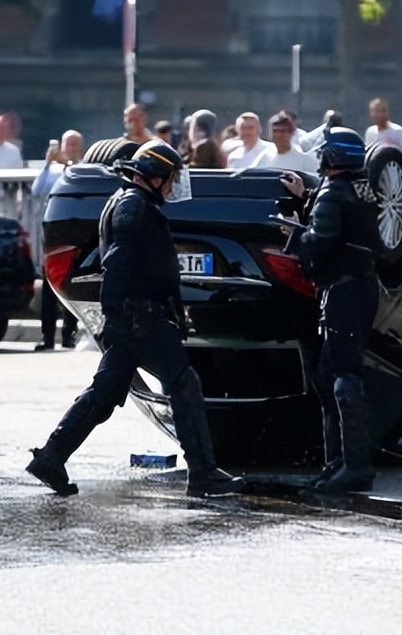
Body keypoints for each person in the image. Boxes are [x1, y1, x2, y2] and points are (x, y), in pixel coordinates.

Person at [27, 142, 246, 498]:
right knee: (184, 383)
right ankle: (203, 472)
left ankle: (51, 457)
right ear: (155, 176)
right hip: (140, 318)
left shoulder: (133, 202)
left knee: (105, 392)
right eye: (171, 178)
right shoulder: (133, 208)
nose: (174, 185)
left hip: (134, 318)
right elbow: (117, 265)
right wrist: (122, 317)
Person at [278, 128, 380, 493]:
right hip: (356, 288)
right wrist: (306, 197)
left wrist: (293, 236)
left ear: (333, 158)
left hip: (343, 291)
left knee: (342, 376)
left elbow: (318, 246)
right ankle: (337, 462)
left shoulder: (333, 195)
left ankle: (354, 467)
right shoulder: (359, 189)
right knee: (329, 375)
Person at [32, 130, 86, 351]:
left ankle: (68, 335)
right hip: (54, 232)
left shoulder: (83, 169)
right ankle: (47, 336)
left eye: (75, 145)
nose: (71, 149)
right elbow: (37, 190)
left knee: (71, 284)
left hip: (74, 231)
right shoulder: (53, 171)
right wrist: (47, 164)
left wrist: (72, 165)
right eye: (68, 145)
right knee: (48, 287)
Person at [364, 98, 402, 165]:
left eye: (382, 111)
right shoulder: (370, 132)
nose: (379, 115)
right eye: (375, 111)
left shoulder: (398, 131)